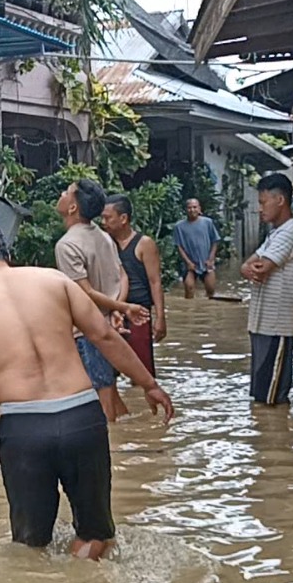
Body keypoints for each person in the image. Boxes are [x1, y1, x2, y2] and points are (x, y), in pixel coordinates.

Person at [0, 223, 175, 560]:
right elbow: (105, 337)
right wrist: (149, 385)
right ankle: (81, 582)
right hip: (82, 417)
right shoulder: (55, 281)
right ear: (7, 256)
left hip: (23, 429)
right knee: (96, 535)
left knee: (30, 546)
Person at [55, 179, 148, 421]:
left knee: (102, 396)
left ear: (73, 207)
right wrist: (118, 308)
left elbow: (83, 292)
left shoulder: (67, 245)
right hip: (110, 327)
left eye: (66, 192)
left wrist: (122, 307)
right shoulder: (105, 236)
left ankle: (111, 448)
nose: (61, 194)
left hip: (87, 331)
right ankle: (139, 436)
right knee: (110, 390)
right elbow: (121, 276)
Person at [240, 173, 293, 406]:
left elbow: (260, 267)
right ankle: (266, 437)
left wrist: (249, 267)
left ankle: (276, 438)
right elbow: (248, 264)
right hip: (263, 321)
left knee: (272, 398)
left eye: (263, 202)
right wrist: (247, 266)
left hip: (277, 323)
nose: (260, 209)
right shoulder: (275, 233)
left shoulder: (290, 232)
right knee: (262, 392)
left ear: (280, 200)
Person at [100, 194, 165, 377]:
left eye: (107, 217)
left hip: (139, 312)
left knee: (142, 375)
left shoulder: (144, 244)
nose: (103, 222)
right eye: (102, 217)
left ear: (123, 218)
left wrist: (160, 317)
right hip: (112, 311)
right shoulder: (105, 242)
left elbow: (155, 281)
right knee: (109, 374)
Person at [172, 198, 221, 299]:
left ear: (199, 209)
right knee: (189, 289)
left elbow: (215, 241)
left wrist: (211, 259)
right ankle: (190, 312)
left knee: (211, 290)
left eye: (194, 207)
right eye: (189, 207)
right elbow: (179, 246)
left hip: (206, 263)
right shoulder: (179, 226)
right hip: (190, 265)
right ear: (186, 210)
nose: (192, 210)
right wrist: (188, 262)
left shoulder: (208, 222)